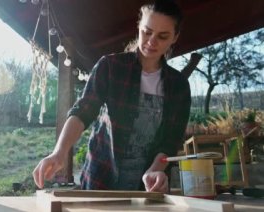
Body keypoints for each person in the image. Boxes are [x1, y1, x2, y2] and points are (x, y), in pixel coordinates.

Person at [33, 0, 191, 193]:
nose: (151, 41)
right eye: (146, 32)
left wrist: (155, 171)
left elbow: (171, 140)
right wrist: (59, 152)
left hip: (148, 188)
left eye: (163, 36)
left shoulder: (179, 86)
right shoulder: (110, 67)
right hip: (101, 178)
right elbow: (83, 112)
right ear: (139, 26)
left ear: (175, 37)